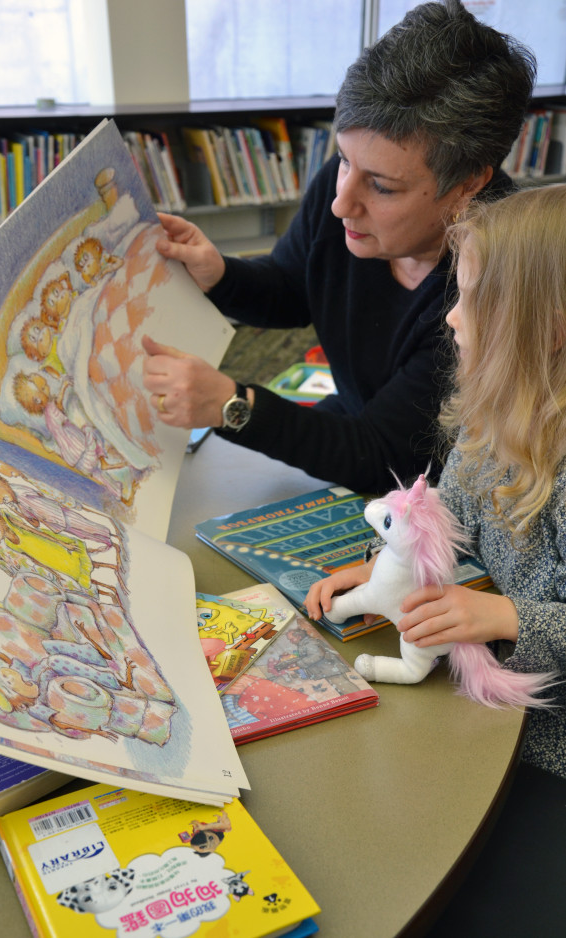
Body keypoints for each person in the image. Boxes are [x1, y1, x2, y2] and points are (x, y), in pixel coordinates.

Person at [142, 0, 536, 493]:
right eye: (344, 160)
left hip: (432, 498)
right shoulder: (345, 187)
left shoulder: (501, 283)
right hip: (353, 428)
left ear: (468, 185)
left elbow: (383, 457)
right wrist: (219, 273)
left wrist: (232, 406)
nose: (340, 203)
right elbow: (292, 286)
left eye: (383, 187)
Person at [306, 184, 566, 781]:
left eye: (472, 299)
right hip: (485, 708)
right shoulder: (490, 417)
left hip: (544, 747)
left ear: (549, 332)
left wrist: (505, 616)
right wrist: (393, 559)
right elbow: (454, 515)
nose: (450, 316)